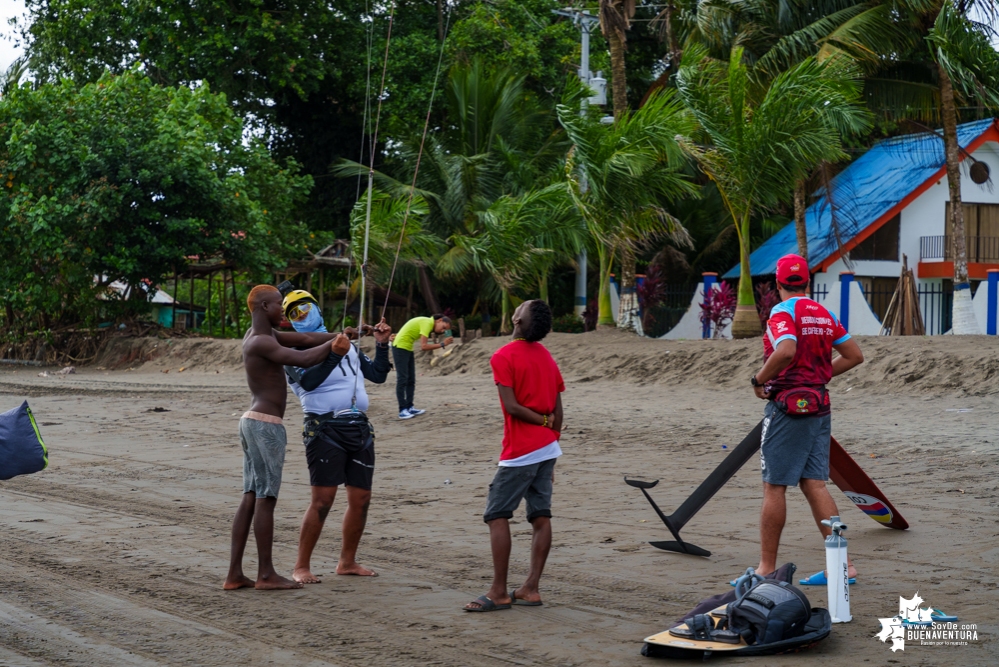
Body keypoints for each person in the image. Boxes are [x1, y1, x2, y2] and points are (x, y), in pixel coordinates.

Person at [223, 284, 350, 591]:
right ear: (264, 307)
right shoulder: (262, 343)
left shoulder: (259, 336)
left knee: (251, 496)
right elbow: (303, 358)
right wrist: (334, 348)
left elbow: (306, 339)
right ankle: (266, 574)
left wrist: (345, 335)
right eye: (279, 304)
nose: (283, 309)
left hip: (253, 422)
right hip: (265, 425)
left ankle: (235, 574)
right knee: (266, 498)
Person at [750, 254, 865, 585]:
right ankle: (842, 566)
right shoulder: (825, 313)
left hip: (788, 406)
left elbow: (785, 349)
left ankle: (766, 569)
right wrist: (822, 375)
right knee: (814, 483)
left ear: (778, 284)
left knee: (774, 486)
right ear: (808, 283)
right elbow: (854, 356)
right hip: (820, 404)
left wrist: (759, 380)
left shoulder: (782, 312)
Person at [278, 289, 392, 583]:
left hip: (359, 427)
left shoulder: (347, 343)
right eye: (294, 314)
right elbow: (310, 382)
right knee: (323, 500)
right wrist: (334, 353)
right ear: (289, 322)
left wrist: (381, 345)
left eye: (305, 309)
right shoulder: (290, 350)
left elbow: (378, 375)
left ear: (317, 308)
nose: (302, 316)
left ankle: (347, 562)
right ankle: (301, 566)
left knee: (361, 497)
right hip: (324, 428)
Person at [464, 300, 564, 612]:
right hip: (548, 448)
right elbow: (559, 413)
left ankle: (498, 591)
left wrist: (542, 424)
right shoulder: (546, 357)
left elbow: (511, 406)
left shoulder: (504, 355)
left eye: (521, 307)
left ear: (518, 319)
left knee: (496, 514)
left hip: (521, 450)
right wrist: (550, 433)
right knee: (540, 515)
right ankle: (530, 588)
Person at [391, 313, 453, 420]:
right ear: (439, 320)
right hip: (400, 347)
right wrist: (442, 344)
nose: (442, 331)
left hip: (408, 347)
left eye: (445, 330)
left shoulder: (426, 322)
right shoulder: (427, 323)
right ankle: (402, 410)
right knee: (402, 379)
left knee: (411, 379)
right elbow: (423, 346)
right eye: (443, 327)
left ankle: (409, 406)